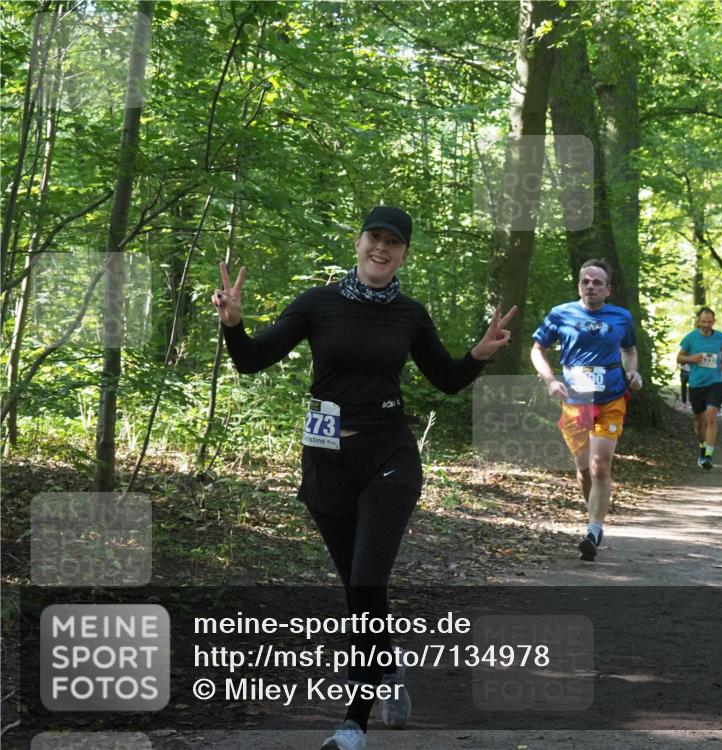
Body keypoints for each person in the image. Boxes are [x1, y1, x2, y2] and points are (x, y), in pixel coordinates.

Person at [212, 206, 516, 750]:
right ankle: (390, 661)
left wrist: (478, 354)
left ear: (404, 254)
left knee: (368, 582)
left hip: (389, 457)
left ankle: (354, 723)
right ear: (358, 243)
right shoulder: (317, 304)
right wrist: (233, 324)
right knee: (358, 591)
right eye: (375, 238)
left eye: (394, 242)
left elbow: (445, 378)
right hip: (326, 461)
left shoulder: (410, 314)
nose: (382, 248)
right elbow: (251, 361)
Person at [530, 259, 641, 562]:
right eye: (585, 281)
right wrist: (551, 380)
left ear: (608, 289)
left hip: (611, 400)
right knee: (583, 470)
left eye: (597, 282)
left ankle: (594, 529)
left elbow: (630, 351)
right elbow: (537, 349)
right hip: (576, 403)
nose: (590, 286)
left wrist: (633, 372)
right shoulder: (560, 314)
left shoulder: (621, 317)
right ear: (579, 285)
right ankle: (592, 514)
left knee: (600, 465)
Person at [677, 307, 722, 469]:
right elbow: (679, 358)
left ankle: (708, 455)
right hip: (696, 383)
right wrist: (693, 358)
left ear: (714, 321)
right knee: (699, 421)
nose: (707, 325)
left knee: (712, 416)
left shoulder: (720, 337)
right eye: (704, 321)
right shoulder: (690, 338)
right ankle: (702, 448)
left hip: (716, 382)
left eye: (710, 322)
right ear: (699, 321)